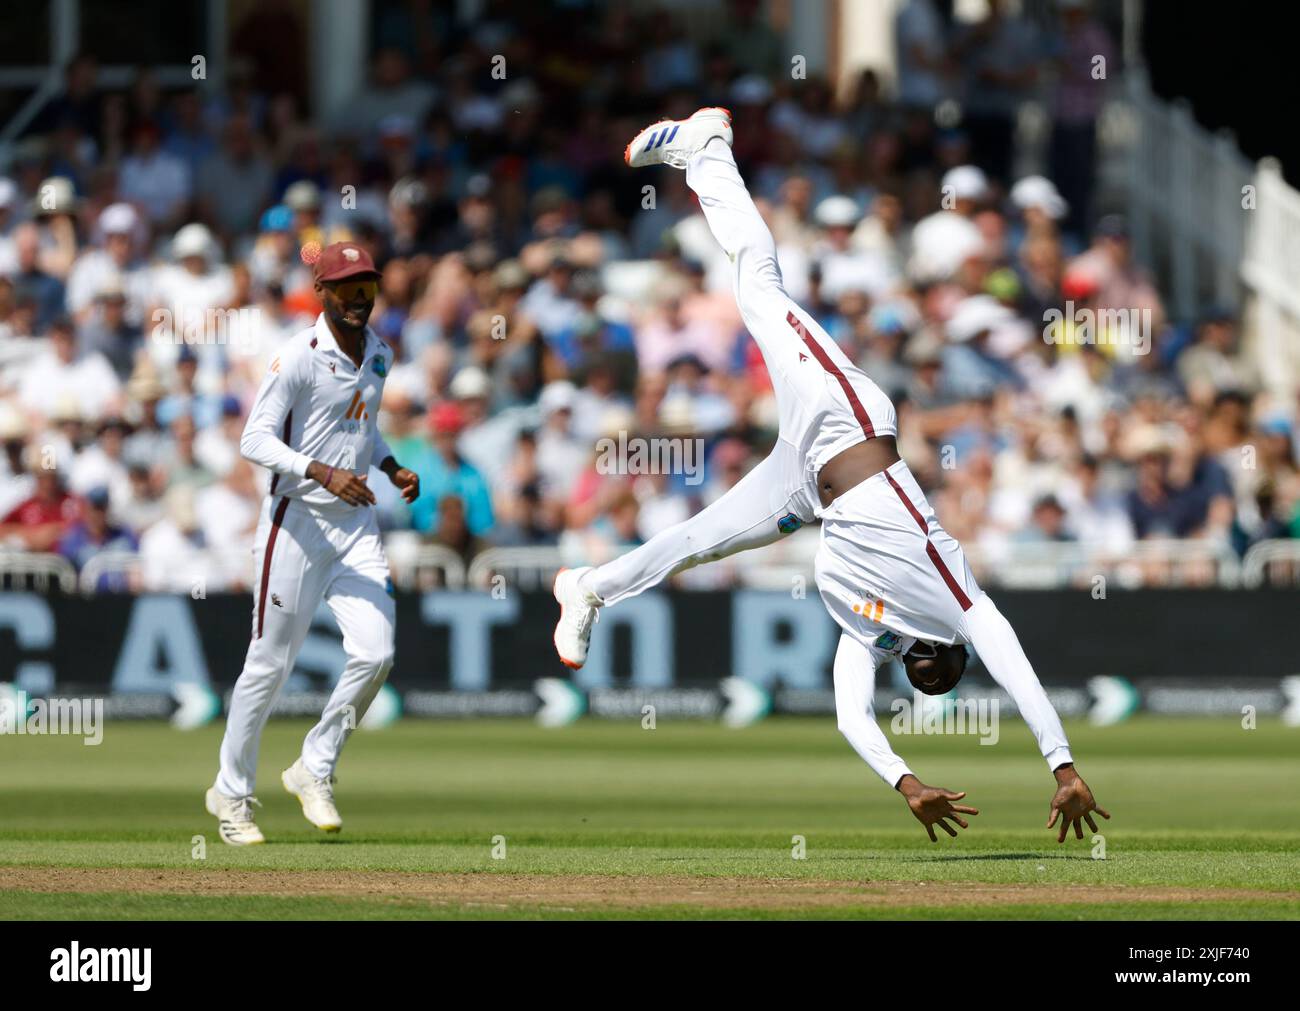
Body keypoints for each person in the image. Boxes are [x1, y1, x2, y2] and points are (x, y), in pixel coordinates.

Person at [554, 109, 1109, 844]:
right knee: (759, 289)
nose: (930, 677)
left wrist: (904, 782)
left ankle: (588, 586)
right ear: (945, 648)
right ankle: (707, 150)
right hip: (846, 423)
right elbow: (1009, 657)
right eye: (940, 672)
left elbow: (852, 712)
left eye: (926, 680)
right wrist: (1062, 763)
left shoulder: (874, 632)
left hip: (808, 483)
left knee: (698, 539)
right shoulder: (951, 594)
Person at [205, 241, 420, 846]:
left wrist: (392, 464)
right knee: (269, 665)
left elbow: (362, 427)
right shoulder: (296, 356)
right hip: (295, 521)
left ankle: (313, 766)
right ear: (321, 293)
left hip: (355, 526)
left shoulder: (380, 354)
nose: (359, 296)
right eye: (346, 286)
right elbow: (254, 439)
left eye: (367, 284)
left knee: (376, 654)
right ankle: (233, 796)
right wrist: (321, 471)